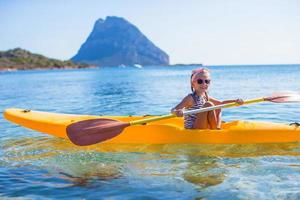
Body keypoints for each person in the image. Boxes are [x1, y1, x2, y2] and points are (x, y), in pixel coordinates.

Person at [171, 68, 243, 130]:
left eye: (207, 81)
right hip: (193, 128)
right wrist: (177, 112)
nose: (204, 84)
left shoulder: (206, 96)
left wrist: (235, 101)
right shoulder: (190, 98)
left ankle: (217, 127)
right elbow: (173, 109)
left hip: (202, 125)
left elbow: (221, 103)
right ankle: (215, 130)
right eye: (200, 81)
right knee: (209, 104)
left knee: (218, 106)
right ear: (193, 84)